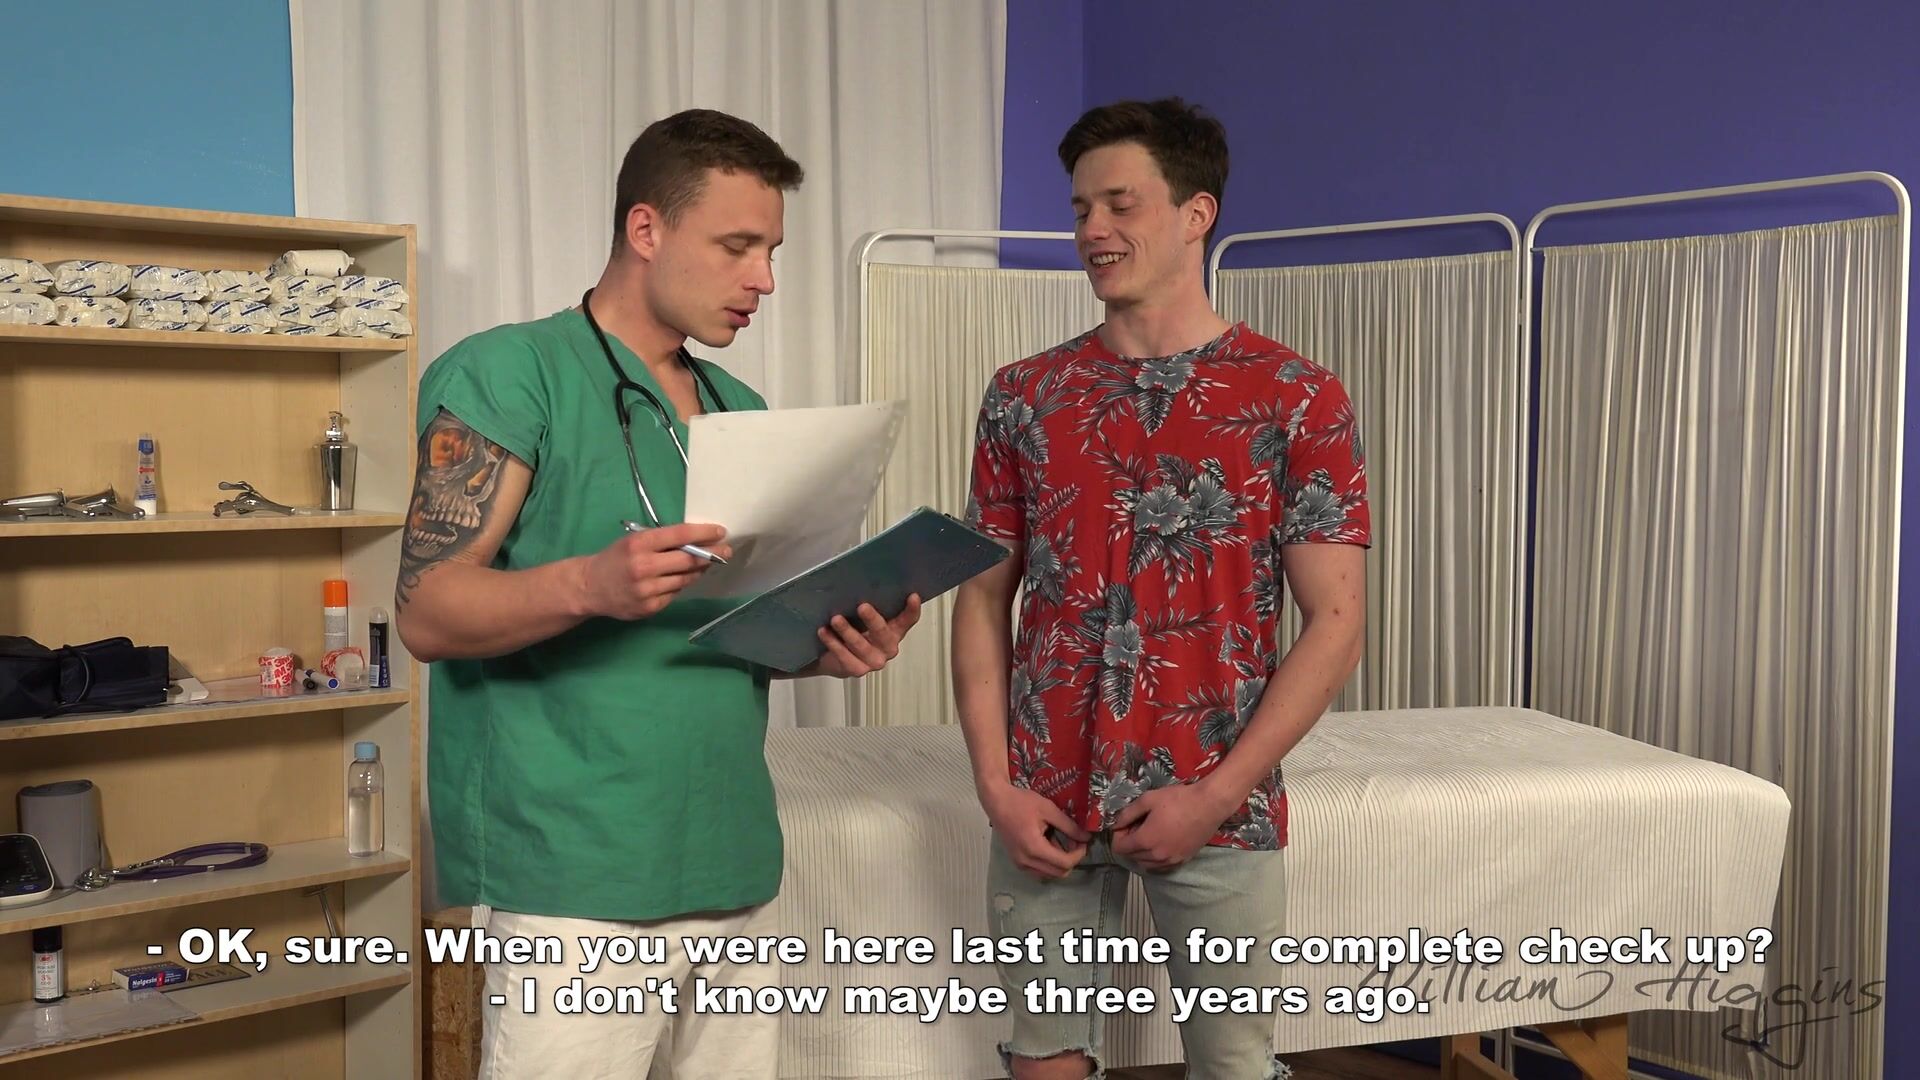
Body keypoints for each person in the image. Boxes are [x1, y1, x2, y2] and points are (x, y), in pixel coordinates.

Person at [394, 108, 921, 1080]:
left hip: (730, 861)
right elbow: (427, 611)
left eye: (771, 251)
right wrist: (590, 583)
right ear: (646, 229)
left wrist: (829, 640)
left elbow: (734, 627)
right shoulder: (509, 374)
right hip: (575, 878)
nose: (763, 279)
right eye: (736, 246)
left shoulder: (738, 410)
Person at [951, 97, 1371, 1079]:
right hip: (1042, 797)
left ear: (1196, 213)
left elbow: (1336, 621)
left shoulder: (1295, 396)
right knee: (1041, 1062)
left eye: (1119, 204)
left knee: (1234, 1066)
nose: (1092, 229)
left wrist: (1216, 796)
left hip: (1216, 796)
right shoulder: (1024, 395)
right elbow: (980, 598)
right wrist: (995, 787)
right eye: (1080, 208)